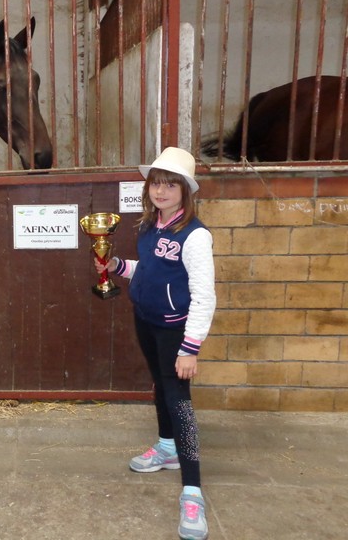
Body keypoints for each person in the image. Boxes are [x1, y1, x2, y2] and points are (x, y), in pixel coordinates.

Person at [95, 146, 215, 540]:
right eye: (155, 184)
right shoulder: (150, 226)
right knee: (161, 390)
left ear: (185, 191)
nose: (160, 191)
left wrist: (190, 348)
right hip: (146, 319)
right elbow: (147, 270)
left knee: (179, 401)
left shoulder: (195, 236)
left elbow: (205, 296)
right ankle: (167, 449)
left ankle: (193, 492)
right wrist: (116, 266)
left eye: (170, 185)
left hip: (175, 331)